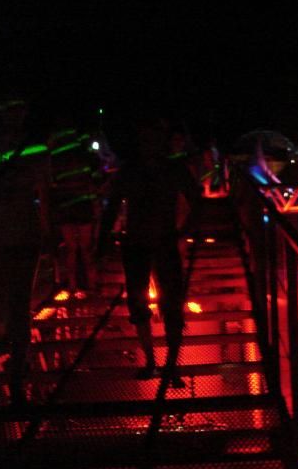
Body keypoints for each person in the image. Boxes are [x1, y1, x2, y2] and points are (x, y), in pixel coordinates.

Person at [97, 118, 200, 386]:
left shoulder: (155, 170)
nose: (149, 144)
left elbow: (196, 200)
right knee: (145, 303)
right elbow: (197, 199)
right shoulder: (158, 170)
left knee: (165, 304)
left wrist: (185, 230)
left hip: (154, 243)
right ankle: (159, 364)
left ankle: (166, 365)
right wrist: (185, 230)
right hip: (146, 243)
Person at [0, 95, 51, 406]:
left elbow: (43, 190)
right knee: (16, 305)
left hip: (14, 235)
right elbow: (44, 190)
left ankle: (15, 370)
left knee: (13, 304)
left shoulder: (29, 147)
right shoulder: (36, 147)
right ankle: (16, 370)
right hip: (17, 234)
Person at [48, 122, 102, 296]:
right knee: (85, 248)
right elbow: (94, 180)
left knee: (71, 248)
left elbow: (52, 185)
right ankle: (91, 284)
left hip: (66, 206)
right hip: (82, 205)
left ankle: (72, 286)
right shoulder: (84, 156)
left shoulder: (56, 159)